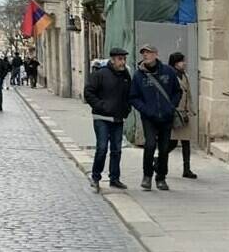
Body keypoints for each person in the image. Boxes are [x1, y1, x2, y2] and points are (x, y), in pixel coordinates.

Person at [128, 44, 181, 191]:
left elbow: (177, 91)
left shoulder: (168, 72)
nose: (145, 55)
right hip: (149, 117)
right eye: (143, 53)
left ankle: (161, 178)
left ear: (156, 55)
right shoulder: (139, 75)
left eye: (149, 53)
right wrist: (145, 110)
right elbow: (133, 97)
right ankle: (147, 176)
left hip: (166, 116)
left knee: (164, 149)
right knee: (150, 145)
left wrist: (171, 106)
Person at [83, 46, 132, 192]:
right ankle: (96, 177)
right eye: (119, 59)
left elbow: (129, 93)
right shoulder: (101, 74)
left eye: (124, 59)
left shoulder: (125, 75)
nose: (122, 62)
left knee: (116, 150)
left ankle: (114, 178)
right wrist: (100, 105)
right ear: (112, 59)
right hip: (101, 117)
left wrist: (126, 108)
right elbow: (88, 92)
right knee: (102, 148)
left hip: (118, 118)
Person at [166, 52, 198, 180]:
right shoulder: (170, 76)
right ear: (175, 63)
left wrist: (192, 109)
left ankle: (186, 169)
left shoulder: (185, 75)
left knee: (186, 142)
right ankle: (159, 160)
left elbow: (189, 95)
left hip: (185, 113)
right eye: (181, 61)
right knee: (172, 142)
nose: (184, 63)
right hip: (175, 112)